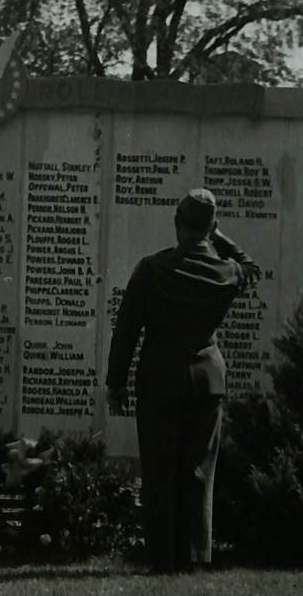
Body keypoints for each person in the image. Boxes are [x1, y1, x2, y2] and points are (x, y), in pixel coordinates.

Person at [105, 188, 260, 574]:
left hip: (160, 377)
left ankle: (163, 555)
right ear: (210, 227)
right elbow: (251, 268)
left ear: (177, 224)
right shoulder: (225, 273)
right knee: (199, 469)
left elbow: (127, 328)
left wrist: (116, 382)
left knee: (159, 469)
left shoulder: (153, 269)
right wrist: (218, 236)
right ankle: (194, 555)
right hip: (207, 379)